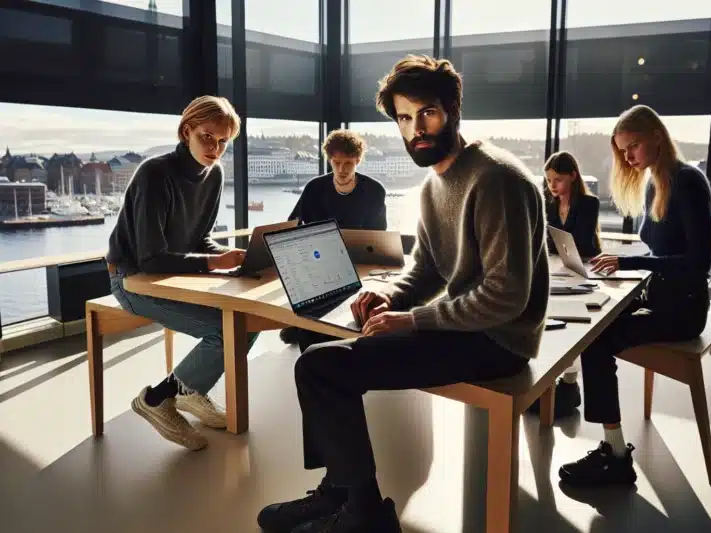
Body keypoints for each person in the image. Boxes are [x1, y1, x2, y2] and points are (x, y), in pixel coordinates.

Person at [256, 55, 549, 533]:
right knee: (317, 353)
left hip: (499, 341)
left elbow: (506, 297)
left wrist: (412, 320)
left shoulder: (496, 178)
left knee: (320, 367)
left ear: (453, 109)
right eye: (404, 118)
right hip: (467, 327)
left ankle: (363, 513)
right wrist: (392, 296)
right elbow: (428, 269)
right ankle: (341, 493)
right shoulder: (436, 184)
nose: (416, 129)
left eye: (427, 112)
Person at [558, 104, 711, 488]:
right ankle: (571, 399)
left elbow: (698, 262)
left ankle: (614, 455)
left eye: (634, 146)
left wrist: (629, 261)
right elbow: (660, 250)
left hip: (684, 309)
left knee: (596, 341)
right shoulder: (653, 183)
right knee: (590, 316)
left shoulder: (688, 182)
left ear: (657, 137)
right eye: (622, 150)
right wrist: (623, 264)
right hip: (660, 295)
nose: (628, 157)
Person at [106, 95, 258, 451]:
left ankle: (189, 390)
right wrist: (213, 264)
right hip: (132, 279)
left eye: (223, 142)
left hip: (172, 274)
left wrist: (230, 256)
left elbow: (200, 238)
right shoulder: (154, 173)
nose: (215, 148)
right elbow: (149, 259)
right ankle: (158, 399)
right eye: (207, 137)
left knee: (247, 322)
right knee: (228, 331)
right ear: (186, 130)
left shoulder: (214, 173)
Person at [280, 129, 387, 347]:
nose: (341, 169)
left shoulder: (374, 191)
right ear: (329, 160)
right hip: (317, 263)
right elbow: (292, 227)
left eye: (348, 163)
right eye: (336, 162)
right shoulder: (314, 188)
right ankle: (307, 333)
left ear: (358, 160)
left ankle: (307, 330)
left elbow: (379, 240)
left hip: (358, 265)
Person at [528, 151, 601, 419]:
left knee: (572, 323)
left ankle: (569, 384)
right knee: (548, 316)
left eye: (558, 180)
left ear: (573, 176)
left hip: (584, 268)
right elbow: (544, 241)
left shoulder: (589, 203)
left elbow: (581, 243)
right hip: (557, 267)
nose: (552, 186)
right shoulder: (548, 204)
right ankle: (554, 382)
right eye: (548, 181)